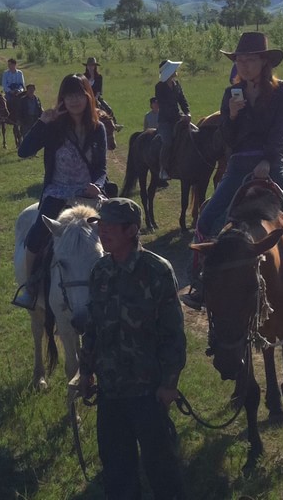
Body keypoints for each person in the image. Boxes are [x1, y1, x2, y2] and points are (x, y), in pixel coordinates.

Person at [182, 31, 283, 310]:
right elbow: (227, 140)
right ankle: (200, 282)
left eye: (251, 59)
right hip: (239, 164)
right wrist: (232, 114)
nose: (245, 65)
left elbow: (280, 131)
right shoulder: (230, 94)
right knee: (207, 218)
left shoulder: (282, 91)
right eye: (240, 59)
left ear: (265, 62)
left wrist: (269, 159)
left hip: (272, 164)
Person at [79, 197, 187, 500]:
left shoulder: (157, 271)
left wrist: (169, 384)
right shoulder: (100, 271)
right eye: (101, 225)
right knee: (117, 470)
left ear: (132, 230)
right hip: (111, 393)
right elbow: (93, 329)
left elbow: (173, 335)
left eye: (111, 225)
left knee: (162, 468)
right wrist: (85, 372)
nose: (103, 231)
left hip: (148, 393)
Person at [15, 73, 108, 307]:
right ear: (62, 99)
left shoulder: (98, 129)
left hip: (88, 196)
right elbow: (23, 151)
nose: (75, 100)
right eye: (69, 95)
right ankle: (31, 287)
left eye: (79, 94)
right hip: (57, 192)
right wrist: (41, 123)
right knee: (36, 237)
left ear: (88, 97)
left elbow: (102, 168)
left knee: (118, 232)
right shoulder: (53, 127)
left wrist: (97, 185)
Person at [155, 60, 191, 180]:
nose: (176, 71)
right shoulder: (160, 87)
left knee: (195, 133)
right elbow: (165, 105)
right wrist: (179, 116)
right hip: (165, 120)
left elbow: (182, 100)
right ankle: (163, 168)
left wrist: (187, 113)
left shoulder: (177, 84)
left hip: (178, 117)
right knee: (167, 142)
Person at [83, 57, 123, 131]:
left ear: (95, 66)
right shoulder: (83, 77)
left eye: (92, 65)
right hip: (86, 98)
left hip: (96, 97)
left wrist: (95, 98)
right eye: (89, 66)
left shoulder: (99, 77)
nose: (90, 67)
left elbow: (99, 90)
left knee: (107, 109)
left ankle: (114, 124)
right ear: (87, 66)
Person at [144, 97, 169, 188]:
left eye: (157, 103)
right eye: (154, 103)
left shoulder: (162, 115)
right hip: (151, 137)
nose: (156, 105)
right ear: (151, 105)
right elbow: (145, 129)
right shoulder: (148, 116)